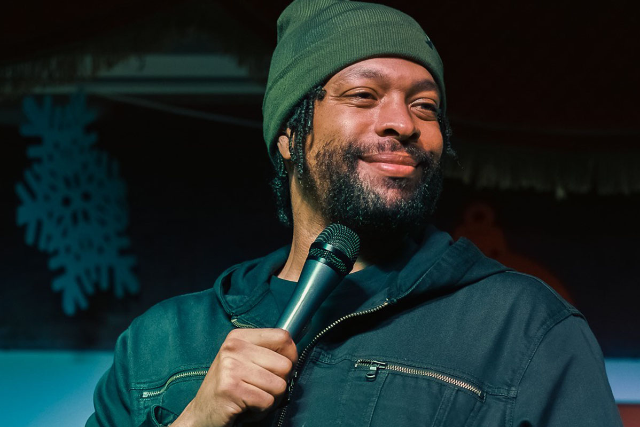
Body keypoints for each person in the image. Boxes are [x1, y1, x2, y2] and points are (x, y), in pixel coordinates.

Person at [87, 0, 623, 426]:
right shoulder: (160, 344)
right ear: (290, 135)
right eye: (364, 95)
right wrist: (196, 421)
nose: (404, 124)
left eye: (425, 106)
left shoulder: (522, 329)